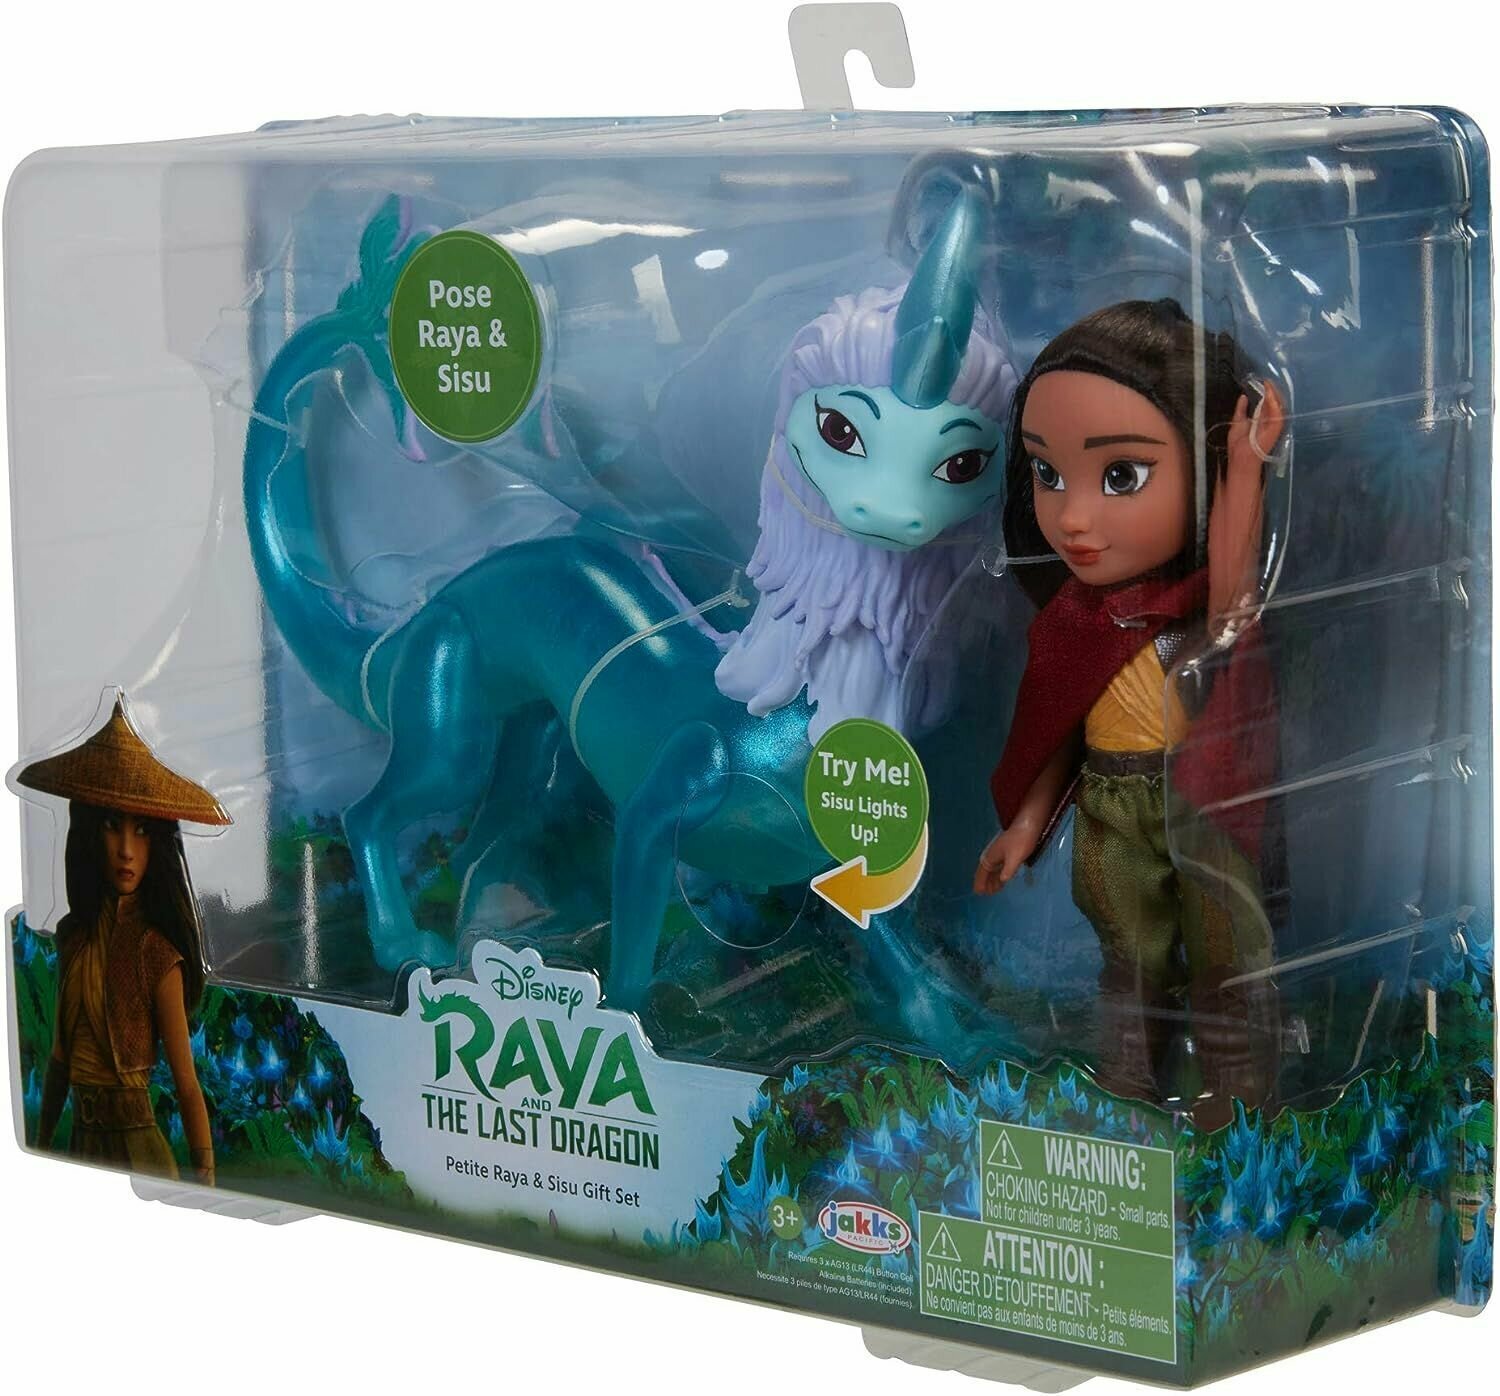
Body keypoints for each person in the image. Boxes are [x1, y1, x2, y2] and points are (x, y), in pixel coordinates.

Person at [974, 299, 1286, 1129]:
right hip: (1111, 804)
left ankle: (1237, 1092)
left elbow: (1235, 602)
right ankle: (1130, 1082)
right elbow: (1060, 731)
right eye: (1047, 474)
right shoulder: (1072, 626)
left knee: (1225, 941)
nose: (1073, 518)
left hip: (1200, 796)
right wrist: (1026, 826)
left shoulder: (1192, 607)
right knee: (1131, 949)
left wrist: (1244, 470)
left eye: (1121, 476)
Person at [16, 696, 230, 1182]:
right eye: (113, 827)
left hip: (139, 1148)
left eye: (142, 831)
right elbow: (59, 1059)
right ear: (90, 834)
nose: (127, 851)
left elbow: (187, 1083)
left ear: (160, 844)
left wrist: (205, 1174)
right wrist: (41, 1144)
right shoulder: (74, 938)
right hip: (79, 1145)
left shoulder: (157, 954)